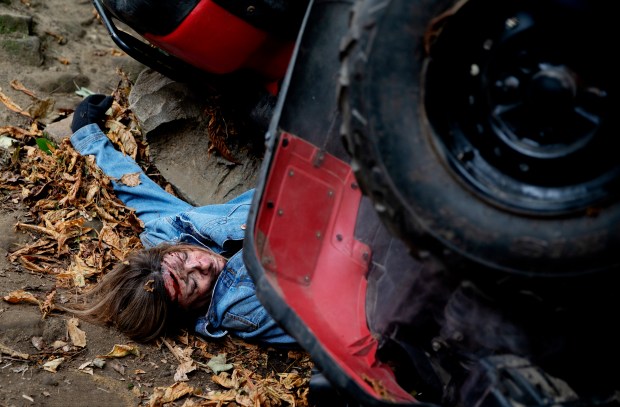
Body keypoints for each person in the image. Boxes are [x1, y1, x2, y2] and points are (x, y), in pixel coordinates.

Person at [63, 94, 295, 345]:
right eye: (193, 284)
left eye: (185, 257)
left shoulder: (170, 237)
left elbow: (135, 190)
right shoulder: (244, 310)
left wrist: (87, 136)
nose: (202, 263)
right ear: (188, 313)